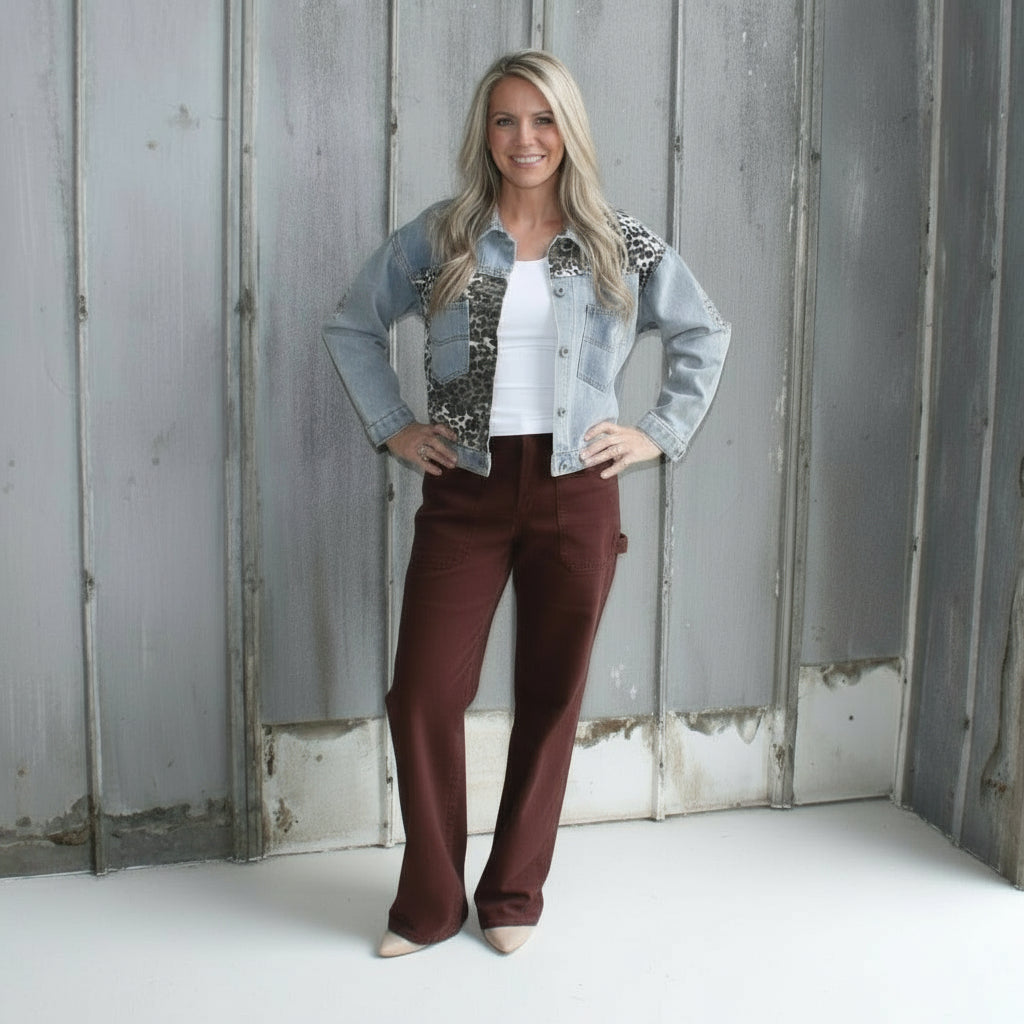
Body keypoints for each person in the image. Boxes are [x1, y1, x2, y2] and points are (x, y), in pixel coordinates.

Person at [323, 49, 730, 958]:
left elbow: (704, 328)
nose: (524, 138)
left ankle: (511, 895)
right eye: (506, 120)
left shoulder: (617, 239)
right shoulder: (443, 237)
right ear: (486, 133)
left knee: (551, 696)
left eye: (542, 119)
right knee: (422, 691)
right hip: (465, 489)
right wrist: (394, 424)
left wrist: (656, 432)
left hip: (574, 492)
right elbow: (352, 322)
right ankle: (428, 905)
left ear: (568, 130)